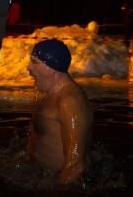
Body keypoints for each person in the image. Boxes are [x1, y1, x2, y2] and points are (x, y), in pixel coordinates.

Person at [26, 39, 94, 185]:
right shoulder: (53, 94)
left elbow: (75, 167)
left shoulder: (69, 102)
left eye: (34, 62)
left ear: (52, 66)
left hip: (58, 182)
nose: (29, 67)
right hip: (40, 177)